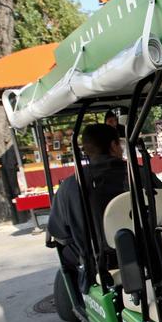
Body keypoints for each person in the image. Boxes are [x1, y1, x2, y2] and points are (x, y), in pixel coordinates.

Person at [48, 124, 130, 292]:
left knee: (65, 248)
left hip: (101, 260)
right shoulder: (138, 174)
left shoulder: (70, 186)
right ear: (114, 146)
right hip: (147, 251)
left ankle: (82, 292)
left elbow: (59, 231)